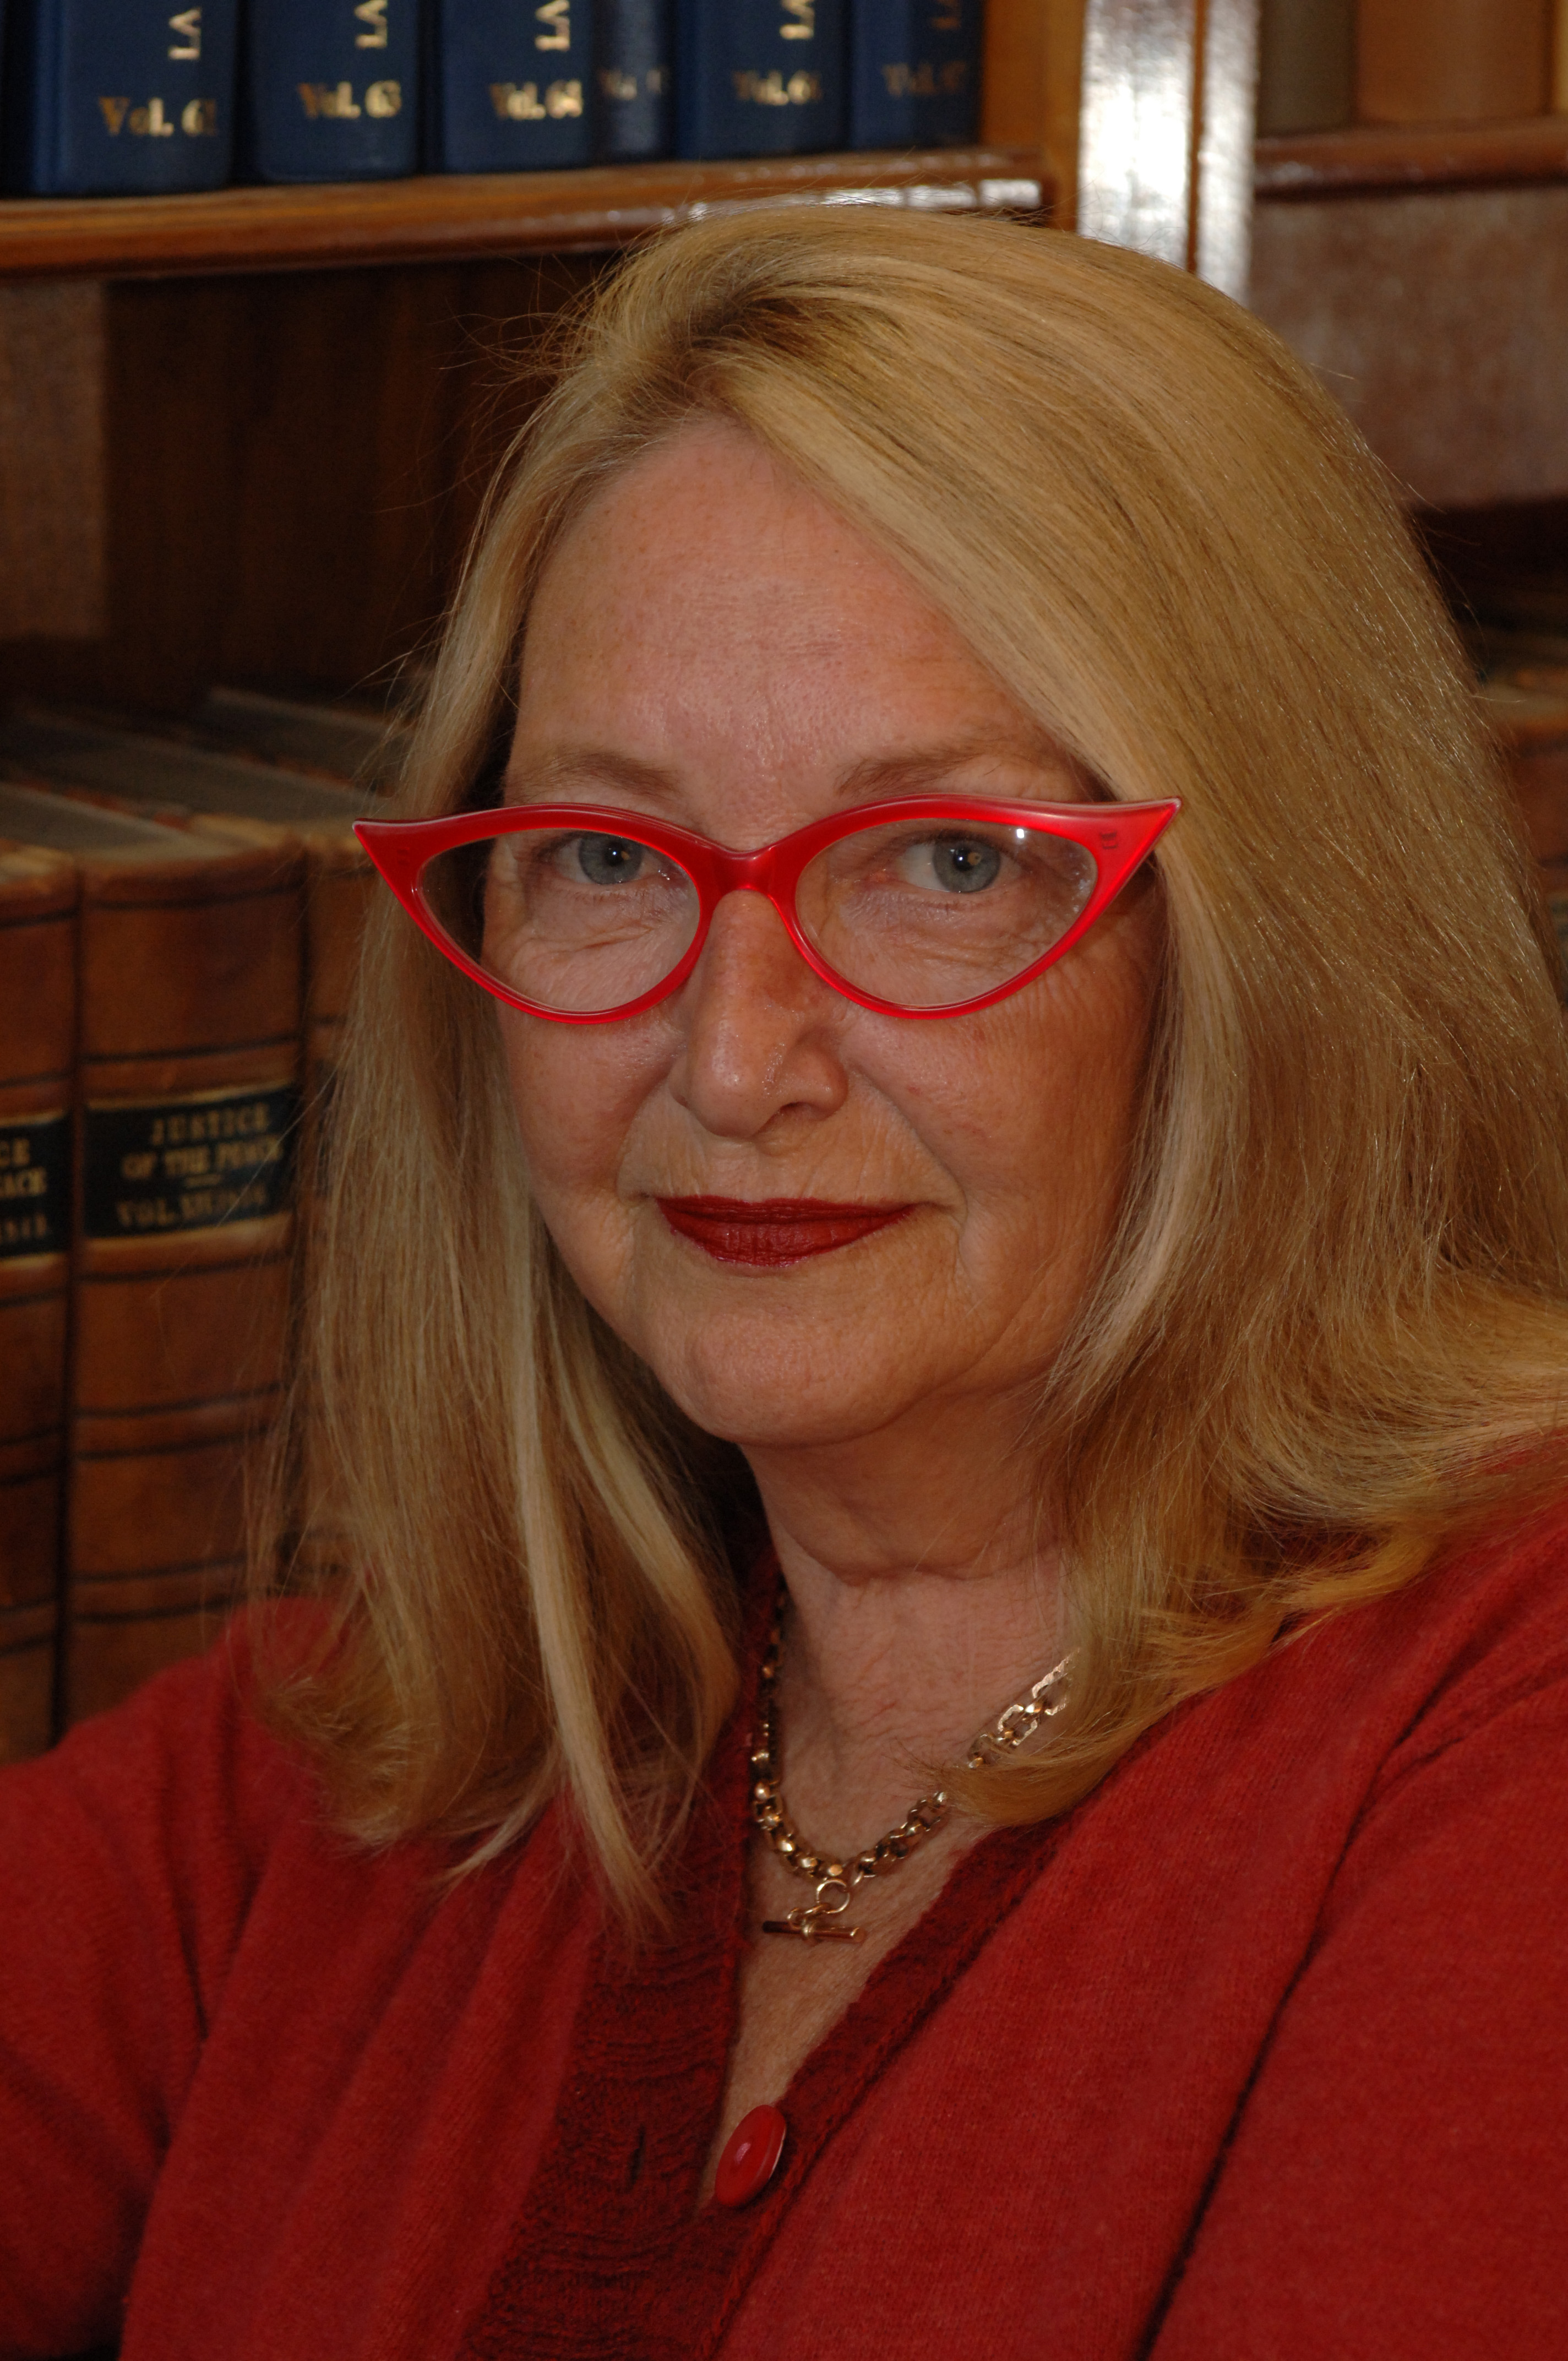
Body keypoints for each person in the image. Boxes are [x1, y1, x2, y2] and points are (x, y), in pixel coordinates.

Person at [3, 206, 1567, 2361]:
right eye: (612, 857)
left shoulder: (1503, 1751)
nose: (732, 1060)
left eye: (945, 864)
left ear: (1271, 942)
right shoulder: (382, 1747)